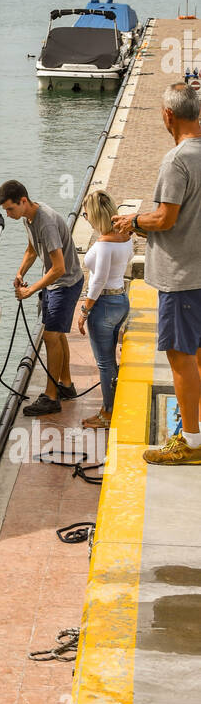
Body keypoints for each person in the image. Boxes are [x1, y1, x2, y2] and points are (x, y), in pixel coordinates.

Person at [113, 82, 201, 464]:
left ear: (169, 115)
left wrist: (133, 220)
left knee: (180, 355)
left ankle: (191, 442)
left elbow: (165, 218)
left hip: (181, 277)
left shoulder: (177, 160)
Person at [0, 180, 85, 415]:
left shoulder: (45, 222)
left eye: (10, 209)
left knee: (50, 336)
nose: (8, 214)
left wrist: (30, 290)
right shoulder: (29, 218)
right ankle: (66, 385)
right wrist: (20, 273)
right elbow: (32, 249)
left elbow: (59, 267)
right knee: (57, 335)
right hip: (57, 283)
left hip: (64, 284)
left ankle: (51, 397)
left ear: (23, 201)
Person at [76, 190, 132, 429]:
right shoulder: (127, 237)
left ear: (96, 215)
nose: (85, 218)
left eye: (87, 214)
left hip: (104, 305)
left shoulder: (104, 244)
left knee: (104, 363)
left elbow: (98, 280)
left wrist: (84, 311)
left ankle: (108, 412)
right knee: (112, 359)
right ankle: (110, 407)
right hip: (121, 300)